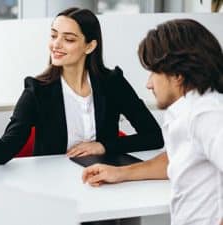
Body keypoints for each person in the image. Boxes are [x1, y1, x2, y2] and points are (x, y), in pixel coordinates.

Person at [0, 7, 163, 165]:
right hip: (55, 186)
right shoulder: (36, 91)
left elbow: (154, 136)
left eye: (68, 39)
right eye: (53, 36)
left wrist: (103, 146)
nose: (56, 44)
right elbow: (2, 153)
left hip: (105, 178)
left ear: (90, 46)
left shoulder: (112, 83)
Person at [82, 19, 223, 225]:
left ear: (178, 75)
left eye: (154, 72)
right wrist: (120, 173)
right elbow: (178, 159)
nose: (149, 84)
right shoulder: (190, 112)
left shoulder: (207, 114)